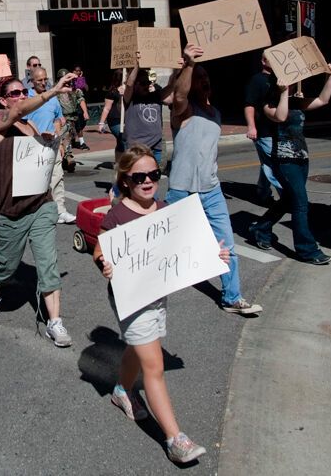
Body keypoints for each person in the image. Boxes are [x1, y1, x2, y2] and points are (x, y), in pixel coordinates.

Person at [93, 144, 227, 464]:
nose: (148, 180)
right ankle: (175, 439)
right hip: (131, 299)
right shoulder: (118, 214)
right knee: (154, 366)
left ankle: (123, 391)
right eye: (140, 176)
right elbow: (100, 250)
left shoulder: (165, 209)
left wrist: (212, 257)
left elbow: (184, 248)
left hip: (157, 294)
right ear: (125, 180)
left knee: (137, 351)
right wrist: (104, 264)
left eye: (154, 174)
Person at [0, 72, 79, 347]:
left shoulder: (30, 125)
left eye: (23, 92)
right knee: (6, 264)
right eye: (14, 93)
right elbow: (17, 112)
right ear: (2, 100)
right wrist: (54, 91)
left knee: (48, 263)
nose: (21, 96)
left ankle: (55, 322)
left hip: (40, 205)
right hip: (10, 208)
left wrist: (46, 142)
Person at [165, 44, 262, 315]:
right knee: (169, 248)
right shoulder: (182, 111)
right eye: (199, 78)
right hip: (181, 192)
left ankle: (232, 298)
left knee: (226, 244)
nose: (204, 82)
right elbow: (180, 94)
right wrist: (189, 65)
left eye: (206, 78)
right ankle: (153, 292)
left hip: (211, 190)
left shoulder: (215, 113)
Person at [248, 55, 331, 264]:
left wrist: (329, 77)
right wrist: (283, 93)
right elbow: (279, 117)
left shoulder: (296, 101)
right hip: (284, 159)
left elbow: (323, 100)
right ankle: (307, 250)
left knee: (289, 199)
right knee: (300, 203)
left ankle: (261, 228)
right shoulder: (268, 105)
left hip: (301, 157)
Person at [27, 66, 76, 223]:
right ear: (31, 82)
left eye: (45, 79)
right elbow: (23, 121)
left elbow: (57, 119)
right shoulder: (27, 98)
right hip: (34, 144)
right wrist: (37, 134)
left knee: (57, 177)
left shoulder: (53, 98)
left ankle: (60, 211)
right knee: (37, 181)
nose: (43, 82)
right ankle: (39, 212)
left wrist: (60, 141)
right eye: (39, 80)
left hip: (52, 143)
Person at [243, 56, 283, 208]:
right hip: (264, 131)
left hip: (278, 130)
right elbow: (249, 104)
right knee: (275, 165)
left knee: (268, 163)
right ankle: (288, 199)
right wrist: (251, 126)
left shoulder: (278, 80)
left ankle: (262, 192)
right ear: (263, 62)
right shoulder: (257, 80)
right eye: (270, 59)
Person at [123, 57, 166, 168]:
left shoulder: (156, 95)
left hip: (156, 146)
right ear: (136, 84)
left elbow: (170, 96)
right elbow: (129, 85)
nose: (146, 85)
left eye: (147, 82)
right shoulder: (130, 99)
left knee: (152, 177)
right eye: (142, 83)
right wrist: (137, 65)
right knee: (137, 177)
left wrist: (177, 72)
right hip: (137, 148)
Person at [56, 68, 90, 169]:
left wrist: (85, 112)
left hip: (74, 117)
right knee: (65, 137)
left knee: (69, 138)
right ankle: (69, 158)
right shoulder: (56, 89)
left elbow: (81, 97)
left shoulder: (74, 88)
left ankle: (65, 159)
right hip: (62, 118)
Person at [71, 64, 90, 149]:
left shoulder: (81, 79)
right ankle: (81, 142)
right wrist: (76, 79)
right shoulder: (71, 80)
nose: (78, 72)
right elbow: (76, 88)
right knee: (77, 122)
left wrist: (81, 78)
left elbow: (86, 88)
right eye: (76, 70)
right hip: (74, 104)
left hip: (82, 102)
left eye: (79, 70)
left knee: (83, 122)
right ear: (73, 71)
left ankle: (74, 138)